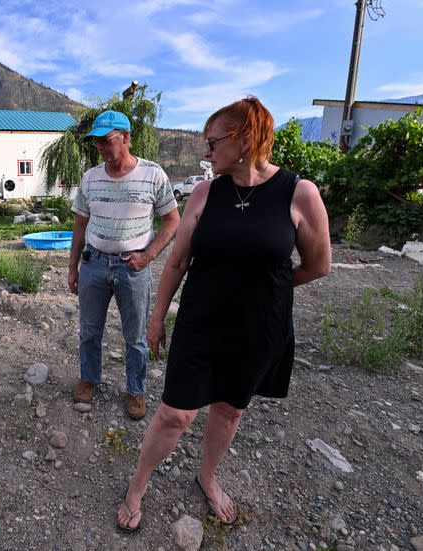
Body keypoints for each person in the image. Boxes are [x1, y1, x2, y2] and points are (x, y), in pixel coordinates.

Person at [116, 96, 331, 532]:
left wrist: (265, 287)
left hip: (258, 329)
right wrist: (157, 319)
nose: (205, 152)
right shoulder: (204, 193)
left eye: (212, 143)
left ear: (246, 138)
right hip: (201, 322)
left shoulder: (300, 192)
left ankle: (207, 476)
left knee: (230, 409)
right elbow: (176, 263)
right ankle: (138, 485)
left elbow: (317, 265)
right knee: (175, 413)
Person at [68, 110, 180, 420]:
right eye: (97, 143)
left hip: (133, 267)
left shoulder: (153, 174)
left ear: (126, 137)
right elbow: (80, 224)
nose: (101, 148)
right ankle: (89, 379)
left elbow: (172, 220)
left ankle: (136, 390)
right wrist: (72, 267)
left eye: (107, 140)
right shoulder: (90, 178)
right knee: (89, 331)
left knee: (135, 336)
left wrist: (149, 254)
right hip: (93, 264)